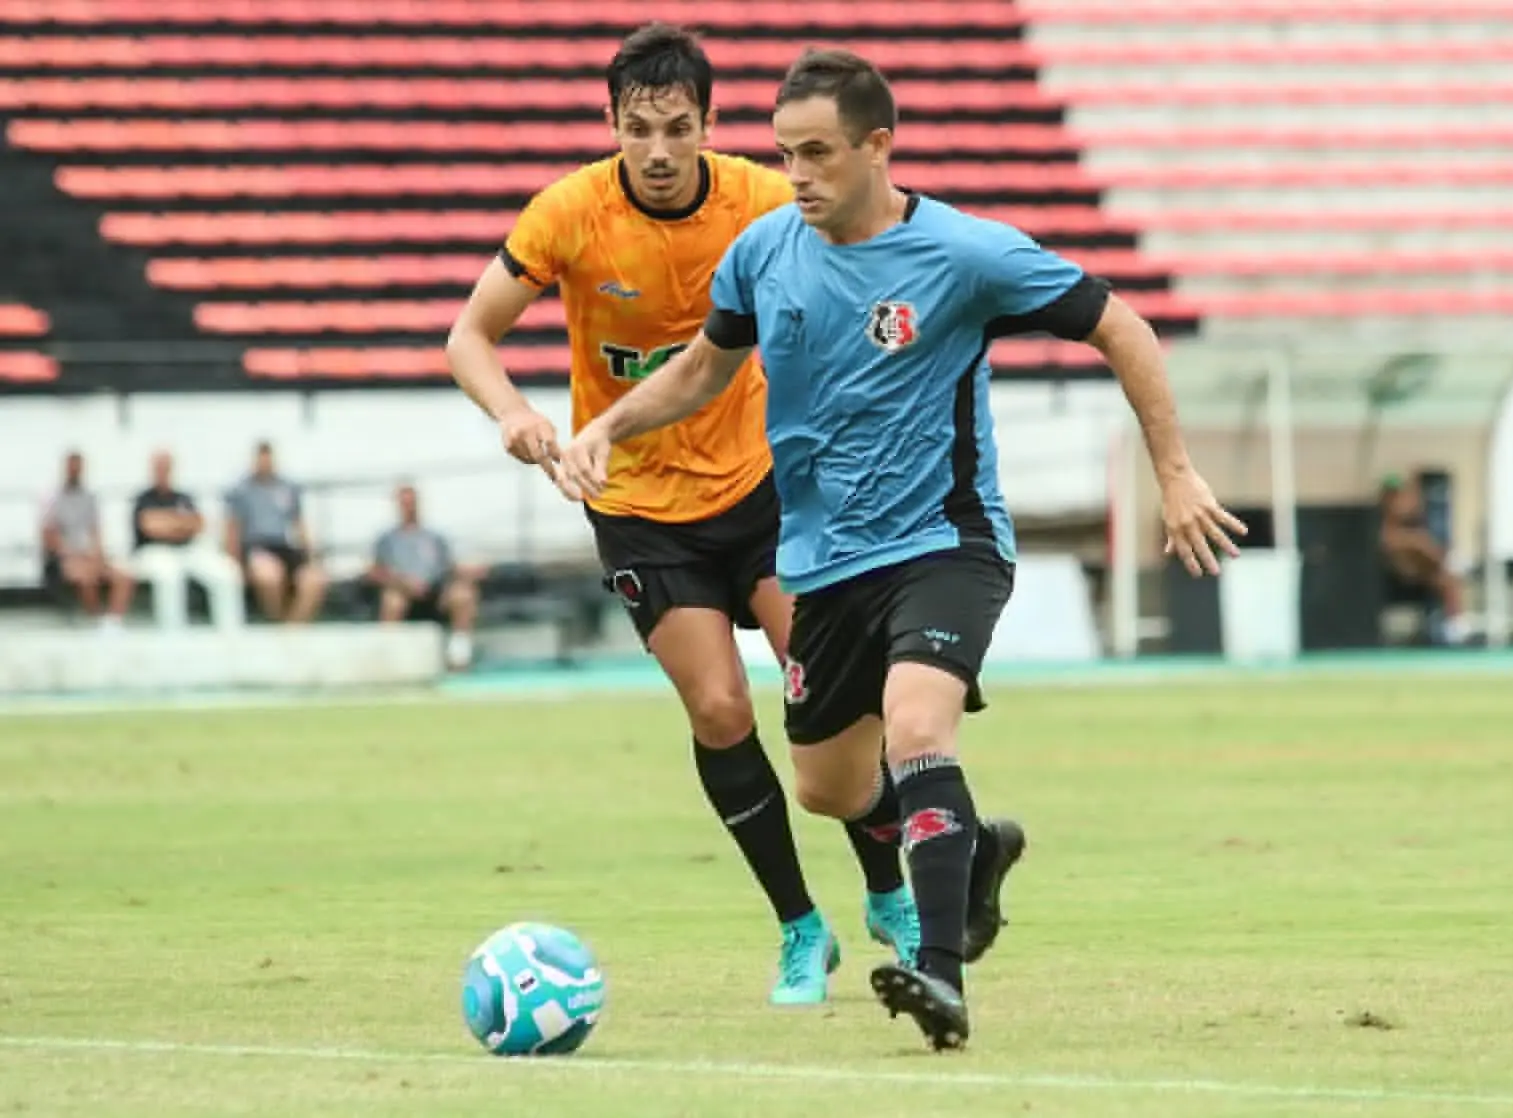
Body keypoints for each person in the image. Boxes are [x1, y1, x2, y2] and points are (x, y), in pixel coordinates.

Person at [551, 48, 1246, 1050]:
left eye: (820, 154)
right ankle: (969, 845)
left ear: (879, 146)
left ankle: (942, 975)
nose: (798, 175)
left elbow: (1121, 325)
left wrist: (1174, 472)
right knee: (829, 786)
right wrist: (610, 427)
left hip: (944, 544)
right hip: (823, 561)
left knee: (920, 729)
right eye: (787, 154)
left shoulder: (965, 253)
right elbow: (704, 369)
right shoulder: (762, 252)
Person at [445, 22, 922, 1006]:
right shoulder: (568, 213)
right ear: (612, 126)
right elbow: (469, 335)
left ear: (708, 124)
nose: (656, 151)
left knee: (833, 702)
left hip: (765, 488)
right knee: (717, 706)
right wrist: (515, 411)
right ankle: (800, 928)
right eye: (636, 129)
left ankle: (888, 889)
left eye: (674, 127)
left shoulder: (760, 196)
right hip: (640, 509)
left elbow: (869, 246)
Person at [368, 483, 481, 670]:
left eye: (412, 502)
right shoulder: (386, 539)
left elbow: (449, 566)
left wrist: (467, 573)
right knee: (392, 601)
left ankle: (459, 657)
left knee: (463, 595)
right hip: (402, 593)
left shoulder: (435, 537)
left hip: (436, 593)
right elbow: (375, 572)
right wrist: (403, 583)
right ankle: (390, 661)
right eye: (404, 503)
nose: (409, 507)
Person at [131, 449, 246, 631]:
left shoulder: (183, 497)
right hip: (154, 552)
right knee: (169, 576)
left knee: (226, 573)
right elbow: (151, 528)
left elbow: (199, 524)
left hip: (188, 550)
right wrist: (179, 524)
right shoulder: (144, 499)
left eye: (166, 467)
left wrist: (168, 524)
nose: (163, 471)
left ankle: (231, 631)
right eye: (159, 467)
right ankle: (173, 632)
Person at [223, 441, 327, 624]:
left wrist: (311, 555)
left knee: (315, 579)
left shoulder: (288, 488)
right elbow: (233, 528)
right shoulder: (242, 490)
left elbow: (299, 523)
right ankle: (276, 621)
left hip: (285, 545)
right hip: (256, 547)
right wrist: (235, 563)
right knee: (270, 576)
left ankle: (293, 627)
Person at [40, 450, 133, 629]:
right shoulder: (52, 499)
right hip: (64, 557)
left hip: (88, 554)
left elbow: (96, 531)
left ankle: (113, 621)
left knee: (124, 576)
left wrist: (97, 554)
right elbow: (49, 536)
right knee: (85, 576)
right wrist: (72, 555)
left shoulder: (89, 498)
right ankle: (95, 619)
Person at [1379, 471, 1468, 644]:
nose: (1400, 500)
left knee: (1448, 579)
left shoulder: (1416, 520)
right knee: (1439, 564)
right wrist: (1416, 542)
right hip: (1396, 579)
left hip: (1424, 574)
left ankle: (1456, 629)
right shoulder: (1381, 521)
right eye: (1394, 496)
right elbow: (1389, 542)